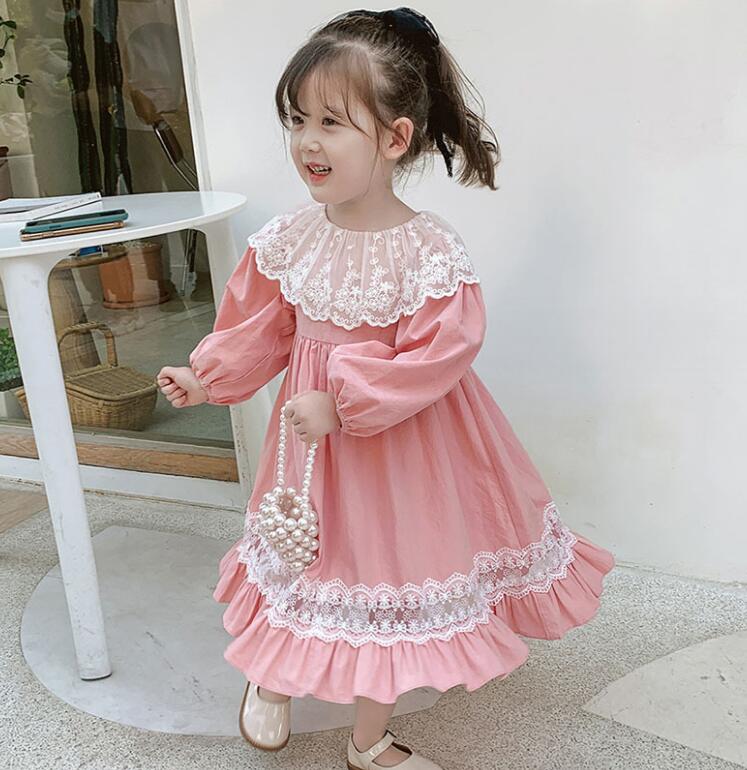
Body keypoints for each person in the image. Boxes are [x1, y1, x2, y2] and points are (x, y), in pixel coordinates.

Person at [156, 7, 615, 769]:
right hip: (310, 453)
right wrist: (206, 381)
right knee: (301, 553)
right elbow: (260, 328)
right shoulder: (289, 240)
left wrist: (343, 402)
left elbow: (441, 353)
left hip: (403, 450)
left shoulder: (428, 251)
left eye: (331, 122)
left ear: (394, 138)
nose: (307, 140)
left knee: (388, 578)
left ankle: (368, 742)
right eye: (296, 119)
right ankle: (272, 676)